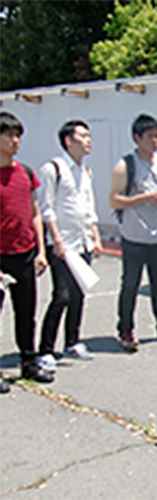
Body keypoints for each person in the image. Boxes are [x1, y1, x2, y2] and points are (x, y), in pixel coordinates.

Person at [109, 113, 157, 351]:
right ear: (137, 138)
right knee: (130, 283)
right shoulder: (126, 165)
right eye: (150, 136)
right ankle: (126, 330)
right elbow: (114, 200)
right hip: (134, 235)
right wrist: (144, 198)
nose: (155, 141)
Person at [36, 120, 102, 373]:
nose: (88, 140)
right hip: (61, 245)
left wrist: (95, 237)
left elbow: (89, 206)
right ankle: (45, 349)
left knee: (78, 294)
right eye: (83, 136)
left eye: (89, 135)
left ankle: (72, 342)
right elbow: (47, 208)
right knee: (61, 295)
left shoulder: (85, 171)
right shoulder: (53, 168)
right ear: (68, 141)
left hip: (82, 242)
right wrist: (56, 241)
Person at [0, 111, 52, 385]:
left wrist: (41, 251)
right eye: (8, 134)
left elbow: (35, 213)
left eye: (18, 135)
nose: (15, 140)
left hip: (24, 253)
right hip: (0, 257)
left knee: (26, 312)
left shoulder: (26, 173)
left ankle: (28, 362)